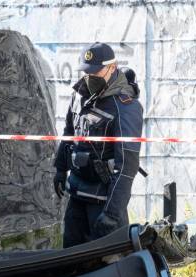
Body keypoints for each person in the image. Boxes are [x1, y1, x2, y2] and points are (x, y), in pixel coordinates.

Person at [53, 42, 144, 248]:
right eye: (85, 72)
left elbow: (127, 167)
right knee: (71, 259)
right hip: (76, 193)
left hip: (104, 201)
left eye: (95, 72)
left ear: (112, 67)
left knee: (108, 265)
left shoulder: (125, 106)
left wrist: (112, 214)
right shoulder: (79, 95)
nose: (89, 78)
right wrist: (60, 169)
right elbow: (69, 133)